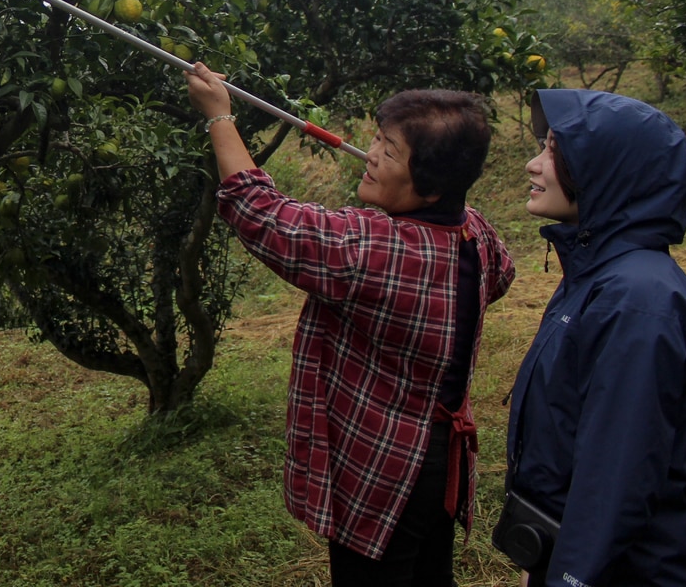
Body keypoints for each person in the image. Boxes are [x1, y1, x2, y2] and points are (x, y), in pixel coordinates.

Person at [185, 63, 515, 587]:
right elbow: (500, 278)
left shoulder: (374, 248)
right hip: (440, 463)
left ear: (429, 186)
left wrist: (220, 117)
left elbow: (260, 212)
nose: (371, 155)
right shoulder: (475, 233)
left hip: (384, 468)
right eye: (378, 140)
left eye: (390, 151)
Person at [501, 89, 686, 587]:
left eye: (553, 153)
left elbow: (616, 478)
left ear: (606, 171)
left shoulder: (636, 299)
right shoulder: (596, 274)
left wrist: (569, 576)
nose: (532, 164)